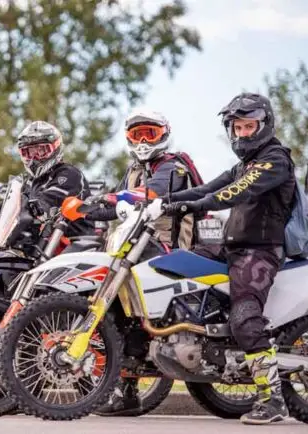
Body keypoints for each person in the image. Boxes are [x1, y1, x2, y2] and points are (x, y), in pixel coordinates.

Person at [163, 92, 295, 425]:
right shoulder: (243, 164)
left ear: (264, 125)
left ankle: (272, 400)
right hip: (231, 247)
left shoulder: (274, 159)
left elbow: (235, 191)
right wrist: (161, 202)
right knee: (173, 267)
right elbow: (206, 188)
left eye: (249, 126)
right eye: (237, 128)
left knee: (245, 318)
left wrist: (193, 205)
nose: (242, 133)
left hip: (260, 251)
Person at [93, 108, 204, 416]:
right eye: (137, 134)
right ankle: (126, 391)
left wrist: (115, 199)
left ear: (163, 136)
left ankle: (129, 387)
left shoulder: (173, 166)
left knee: (136, 317)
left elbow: (152, 192)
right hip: (136, 252)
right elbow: (115, 203)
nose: (143, 141)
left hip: (168, 251)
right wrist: (82, 209)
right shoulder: (133, 169)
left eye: (149, 134)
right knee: (119, 315)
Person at [0, 120, 94, 237]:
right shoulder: (31, 182)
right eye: (28, 153)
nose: (34, 159)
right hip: (45, 243)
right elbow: (14, 205)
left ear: (56, 147)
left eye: (41, 151)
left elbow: (45, 202)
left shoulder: (69, 174)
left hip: (76, 240)